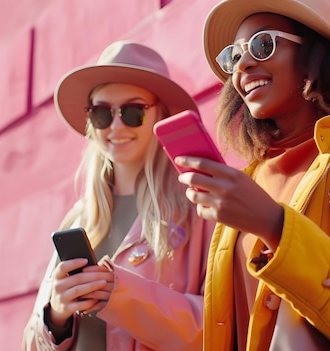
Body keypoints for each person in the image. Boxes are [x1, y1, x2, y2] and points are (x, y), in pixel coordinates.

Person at [174, 0, 330, 350]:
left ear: (313, 54)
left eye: (262, 44)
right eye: (234, 56)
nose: (244, 64)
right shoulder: (251, 176)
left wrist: (275, 225)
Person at [22, 41, 214, 351]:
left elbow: (218, 326)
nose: (115, 126)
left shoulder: (198, 207)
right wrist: (56, 316)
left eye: (133, 111)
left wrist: (120, 293)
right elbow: (31, 343)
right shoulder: (79, 217)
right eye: (101, 114)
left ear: (160, 115)